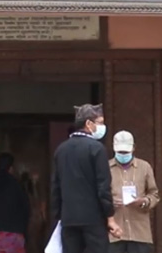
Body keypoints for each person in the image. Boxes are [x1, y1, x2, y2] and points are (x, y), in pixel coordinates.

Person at [51, 104, 122, 253]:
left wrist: (59, 216)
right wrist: (110, 217)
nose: (102, 127)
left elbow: (55, 187)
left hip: (68, 219)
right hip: (93, 219)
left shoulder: (61, 150)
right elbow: (103, 187)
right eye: (100, 122)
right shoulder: (97, 149)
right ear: (89, 123)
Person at [108, 131, 159, 253]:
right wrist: (109, 203)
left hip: (139, 232)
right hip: (114, 232)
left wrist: (143, 201)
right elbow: (98, 195)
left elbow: (154, 194)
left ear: (133, 148)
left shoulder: (144, 167)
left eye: (126, 152)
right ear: (114, 148)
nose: (123, 155)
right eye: (120, 152)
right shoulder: (106, 168)